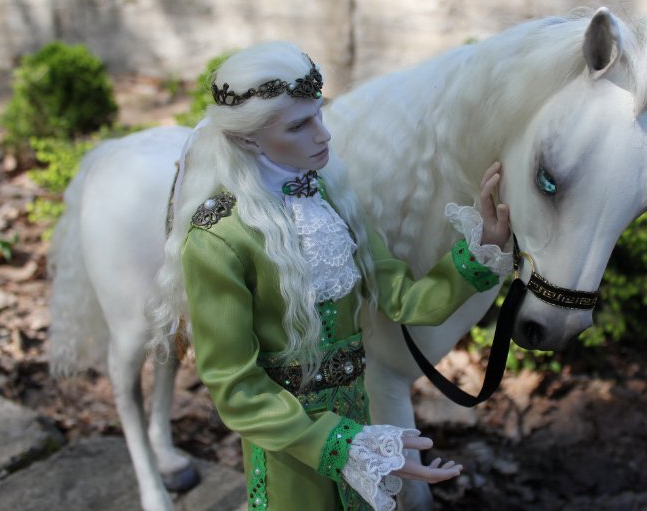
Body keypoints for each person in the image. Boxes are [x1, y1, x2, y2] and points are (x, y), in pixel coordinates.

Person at [153, 41, 511, 511]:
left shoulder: (331, 197)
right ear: (247, 139)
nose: (323, 135)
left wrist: (478, 249)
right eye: (299, 126)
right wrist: (345, 447)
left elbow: (404, 299)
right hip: (289, 447)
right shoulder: (220, 238)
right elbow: (237, 390)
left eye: (319, 115)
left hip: (359, 423)